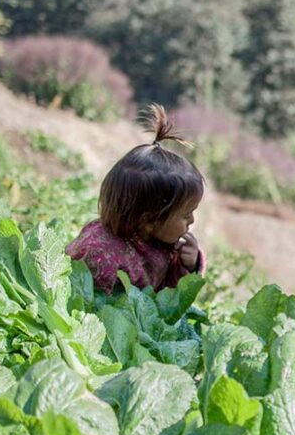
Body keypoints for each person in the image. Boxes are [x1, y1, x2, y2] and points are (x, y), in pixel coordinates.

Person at [67, 104, 206, 294]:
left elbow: (168, 292)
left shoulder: (158, 239)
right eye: (186, 214)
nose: (192, 221)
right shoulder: (100, 256)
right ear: (148, 220)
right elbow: (88, 304)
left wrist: (188, 264)